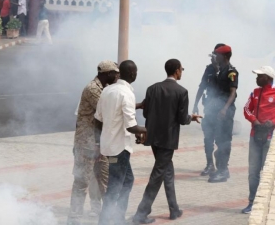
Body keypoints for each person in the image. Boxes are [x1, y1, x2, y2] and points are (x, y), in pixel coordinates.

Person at [132, 59, 202, 224]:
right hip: (168, 139)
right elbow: (182, 118)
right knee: (158, 174)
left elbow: (146, 112)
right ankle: (141, 213)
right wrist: (191, 118)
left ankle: (174, 209)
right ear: (177, 71)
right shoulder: (181, 92)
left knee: (166, 172)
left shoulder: (152, 88)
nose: (181, 72)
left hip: (153, 137)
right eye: (181, 69)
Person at [67, 60, 119, 225]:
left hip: (100, 144)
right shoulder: (92, 89)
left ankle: (108, 217)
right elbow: (107, 112)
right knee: (82, 181)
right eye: (115, 73)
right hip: (86, 145)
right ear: (106, 73)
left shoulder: (105, 88)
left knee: (105, 182)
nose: (117, 76)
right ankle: (74, 219)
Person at [95, 60, 147, 225]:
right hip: (119, 148)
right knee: (115, 186)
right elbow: (131, 126)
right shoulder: (126, 93)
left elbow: (98, 120)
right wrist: (148, 130)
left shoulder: (107, 90)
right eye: (136, 72)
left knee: (127, 180)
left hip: (109, 145)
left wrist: (99, 141)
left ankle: (118, 217)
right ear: (132, 74)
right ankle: (105, 220)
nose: (136, 74)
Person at [242, 66, 275, 214]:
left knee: (267, 172)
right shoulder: (254, 93)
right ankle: (252, 202)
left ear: (267, 78)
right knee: (253, 171)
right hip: (255, 136)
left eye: (259, 76)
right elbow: (246, 109)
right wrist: (254, 120)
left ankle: (268, 204)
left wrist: (272, 122)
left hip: (270, 137)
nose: (256, 78)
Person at [193, 43, 225, 176]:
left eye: (215, 55)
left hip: (222, 112)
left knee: (222, 140)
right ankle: (209, 164)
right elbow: (202, 86)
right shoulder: (209, 69)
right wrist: (195, 104)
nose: (213, 58)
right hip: (209, 110)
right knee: (208, 138)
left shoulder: (228, 70)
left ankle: (222, 165)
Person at [207, 45, 239, 183]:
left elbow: (232, 93)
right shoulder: (219, 70)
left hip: (226, 111)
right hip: (217, 110)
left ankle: (224, 171)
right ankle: (220, 168)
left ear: (225, 56)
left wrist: (225, 109)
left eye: (218, 55)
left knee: (225, 140)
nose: (216, 57)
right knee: (219, 140)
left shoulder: (231, 71)